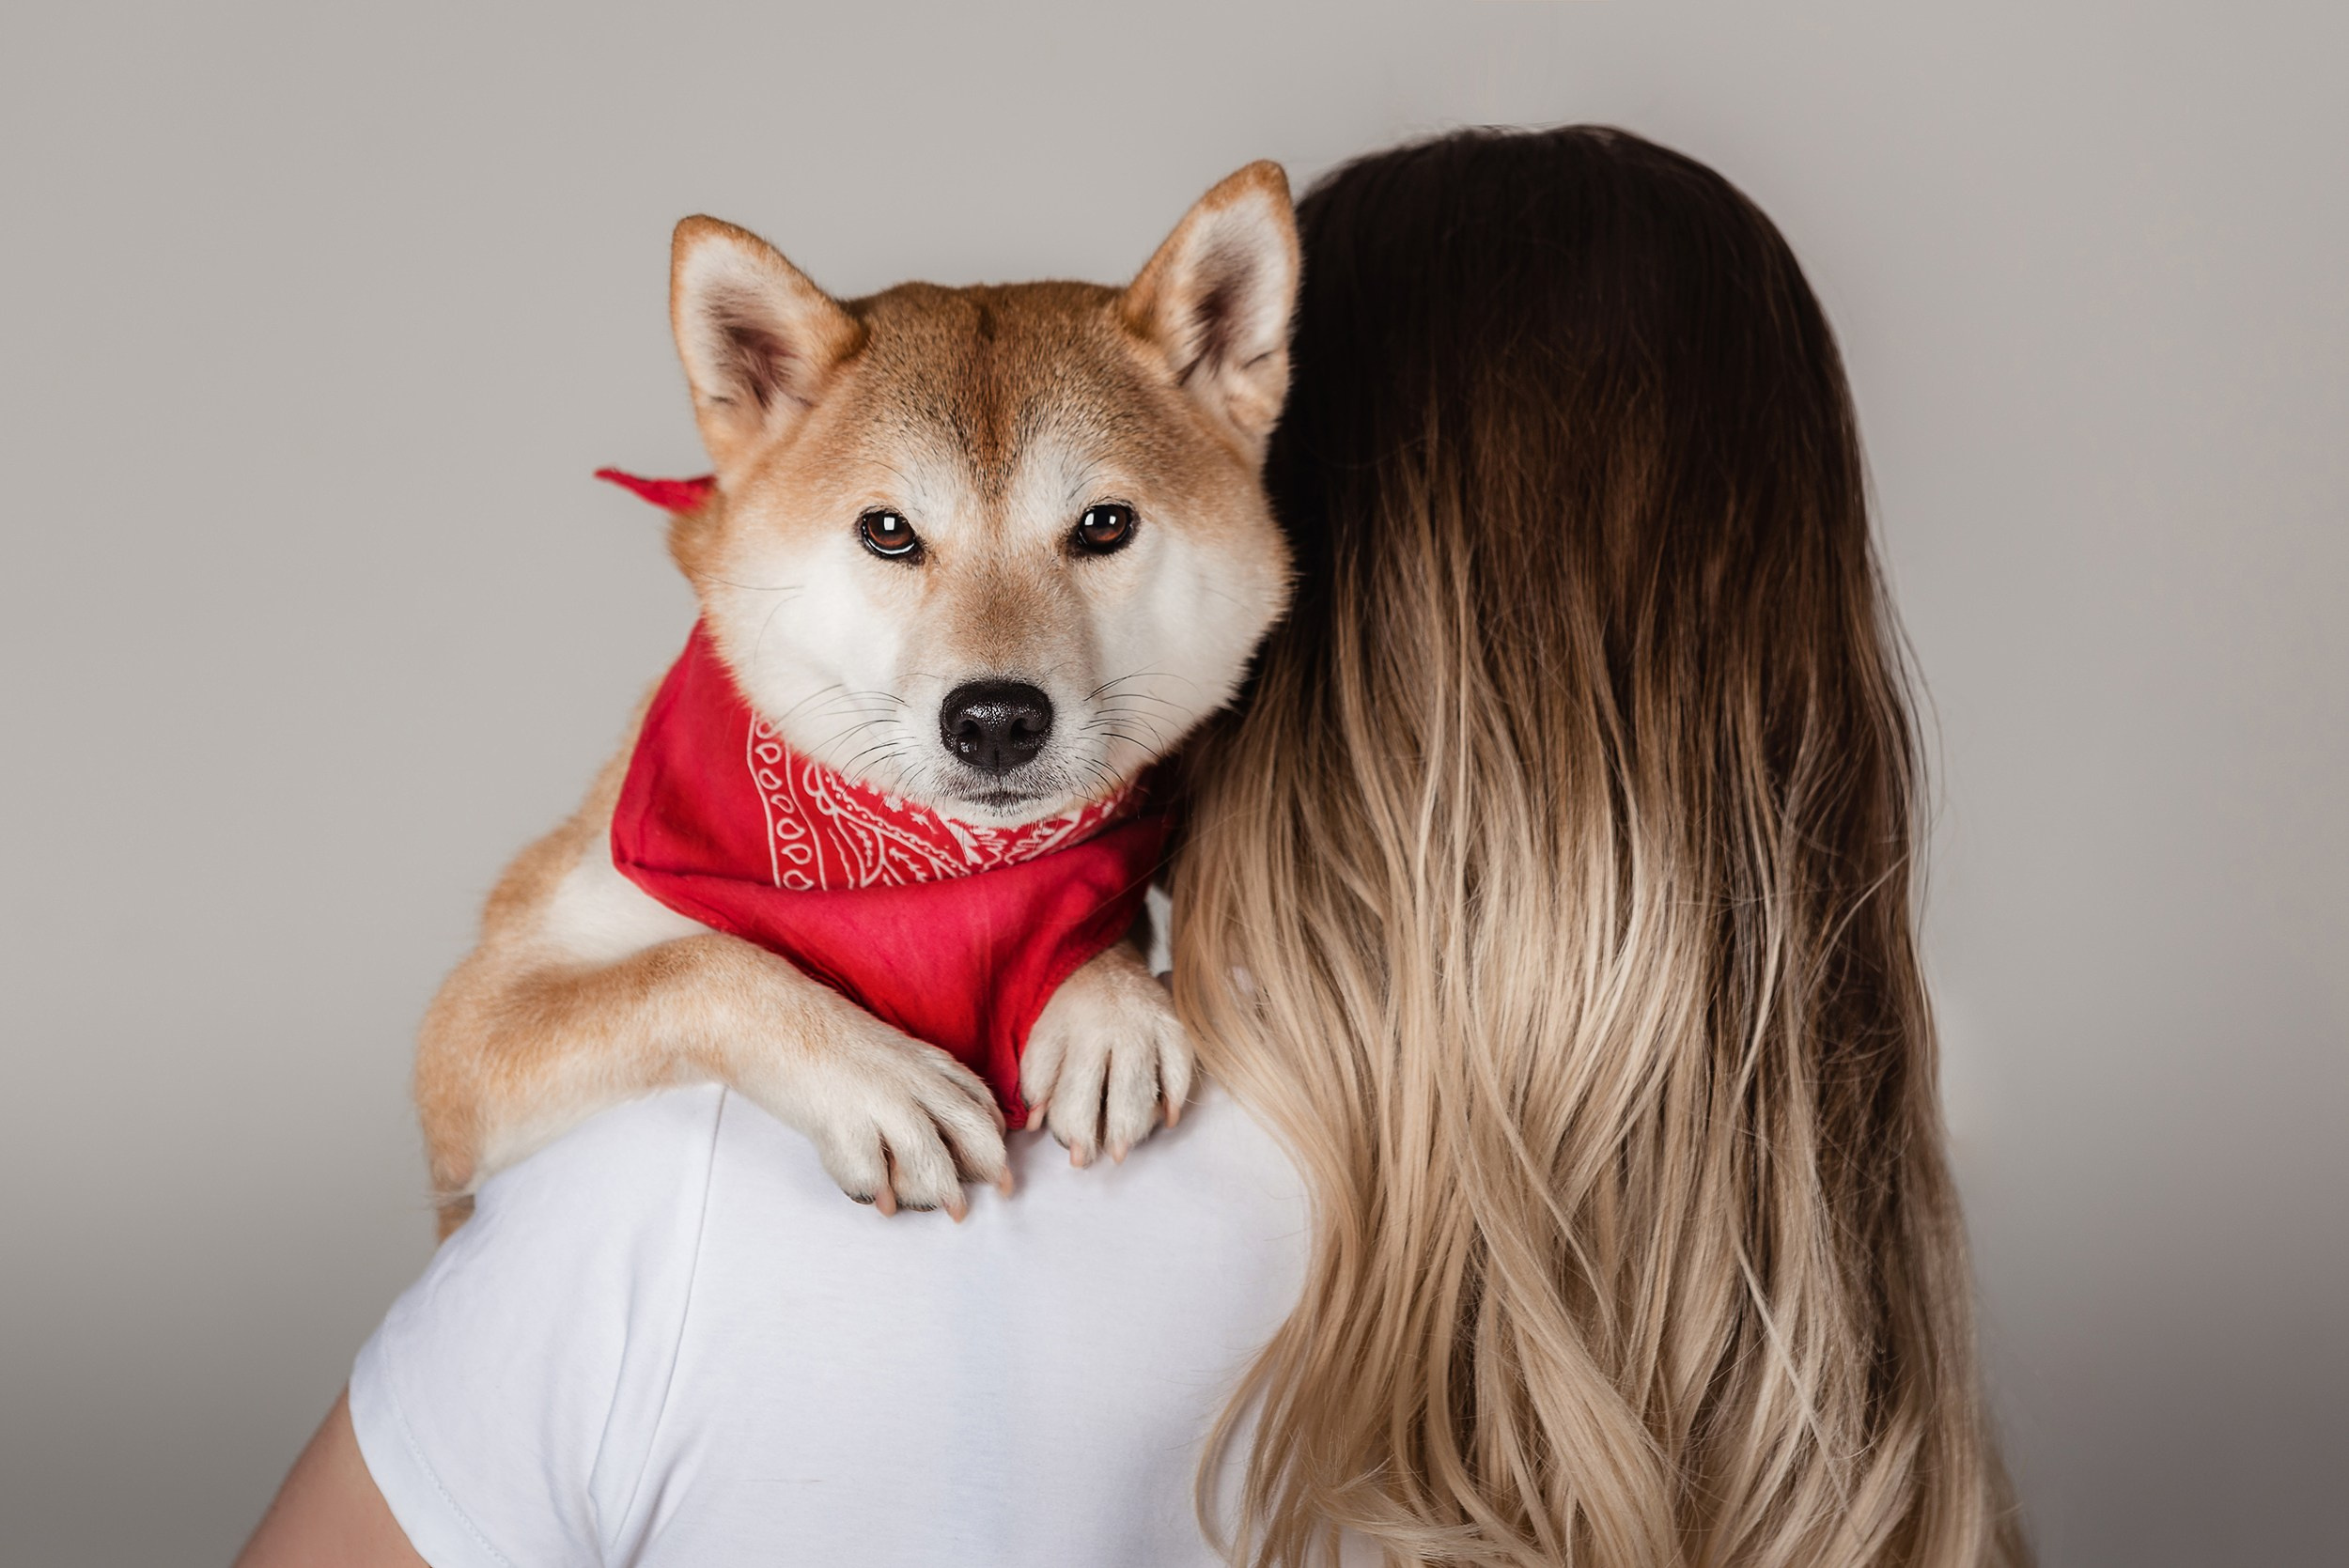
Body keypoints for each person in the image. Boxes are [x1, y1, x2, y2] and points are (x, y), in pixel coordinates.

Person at [240, 126, 2026, 1568]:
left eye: (1101, 534)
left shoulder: (672, 1227)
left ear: (1291, 563)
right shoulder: (1824, 1314)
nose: (996, 664)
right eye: (899, 544)